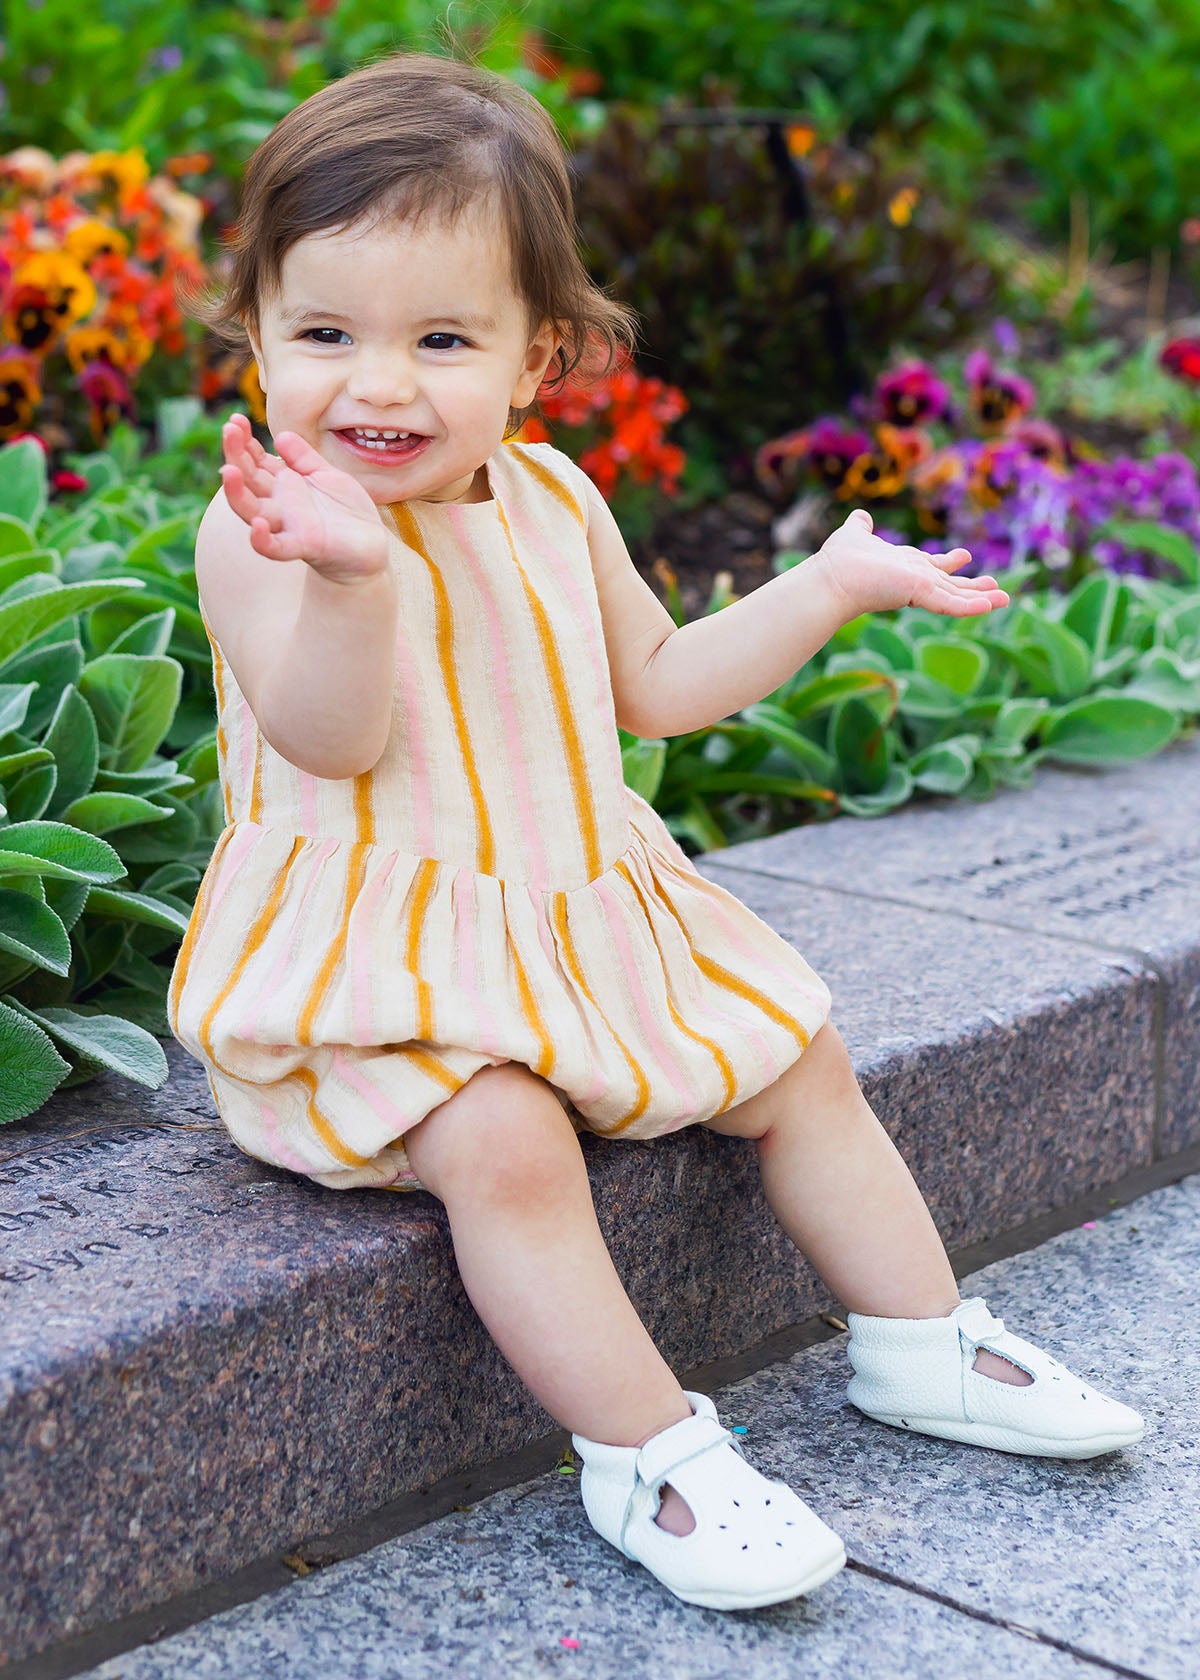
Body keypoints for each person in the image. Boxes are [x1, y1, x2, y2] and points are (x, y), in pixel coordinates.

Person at [168, 51, 1145, 1614]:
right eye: (324, 333)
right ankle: (651, 1453)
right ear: (260, 332)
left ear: (538, 357)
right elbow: (330, 736)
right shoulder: (266, 524)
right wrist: (352, 580)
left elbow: (665, 689)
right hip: (377, 966)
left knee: (795, 1050)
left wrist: (827, 584)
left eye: (441, 339)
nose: (377, 384)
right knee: (504, 1141)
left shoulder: (555, 505)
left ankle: (921, 1341)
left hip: (574, 912)